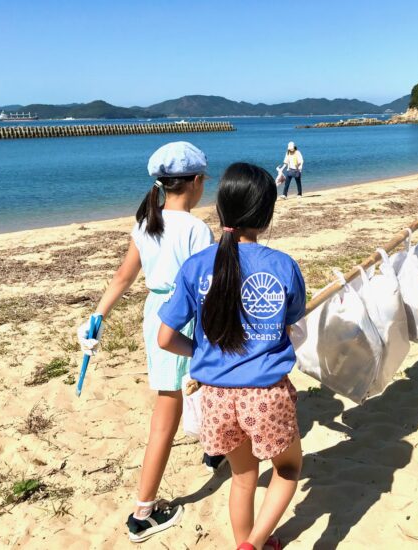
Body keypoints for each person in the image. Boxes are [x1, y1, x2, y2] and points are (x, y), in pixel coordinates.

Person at [76, 141, 224, 543]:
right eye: (203, 180)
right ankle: (143, 511)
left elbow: (124, 275)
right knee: (175, 404)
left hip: (154, 314)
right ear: (195, 182)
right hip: (184, 317)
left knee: (188, 388)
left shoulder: (146, 222)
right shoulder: (196, 228)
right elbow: (207, 287)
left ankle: (214, 448)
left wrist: (98, 315)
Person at [157, 162, 306, 550]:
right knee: (288, 470)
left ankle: (246, 544)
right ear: (266, 213)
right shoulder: (283, 266)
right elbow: (290, 324)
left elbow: (165, 338)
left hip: (216, 395)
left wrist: (201, 351)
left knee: (243, 478)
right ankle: (253, 544)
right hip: (267, 392)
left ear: (221, 209)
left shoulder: (197, 266)